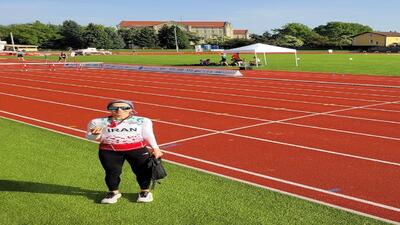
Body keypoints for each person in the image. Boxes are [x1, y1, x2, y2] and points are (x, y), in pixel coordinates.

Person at [86, 99, 163, 204]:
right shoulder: (97, 122)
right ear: (109, 109)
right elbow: (90, 137)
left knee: (142, 171)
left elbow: (148, 134)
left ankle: (145, 192)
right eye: (114, 108)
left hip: (137, 150)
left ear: (131, 109)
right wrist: (95, 134)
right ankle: (113, 192)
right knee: (112, 173)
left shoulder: (143, 121)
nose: (119, 110)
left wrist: (156, 148)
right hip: (109, 151)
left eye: (124, 108)